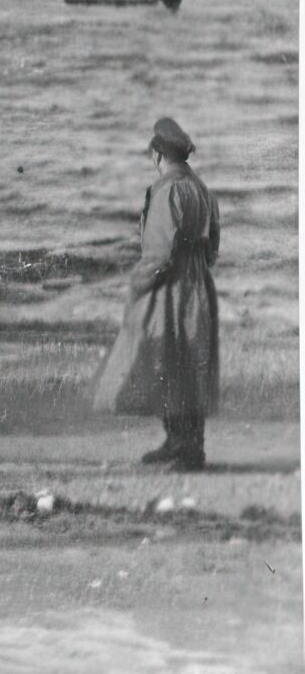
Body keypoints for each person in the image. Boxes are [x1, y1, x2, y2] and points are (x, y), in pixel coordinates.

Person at [91, 118, 219, 471]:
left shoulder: (166, 191)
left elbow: (159, 255)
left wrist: (137, 284)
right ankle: (187, 443)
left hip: (170, 287)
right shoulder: (201, 188)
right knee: (191, 364)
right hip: (199, 286)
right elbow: (212, 249)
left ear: (158, 154)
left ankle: (183, 447)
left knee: (166, 360)